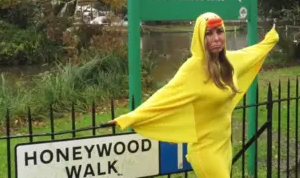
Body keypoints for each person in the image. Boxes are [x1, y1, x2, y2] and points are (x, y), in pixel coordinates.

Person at [105, 12, 279, 177]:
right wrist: (130, 118)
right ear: (199, 38)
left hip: (224, 145)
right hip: (204, 151)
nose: (216, 38)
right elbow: (164, 96)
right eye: (209, 34)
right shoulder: (192, 69)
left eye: (220, 31)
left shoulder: (230, 62)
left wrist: (270, 39)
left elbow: (252, 54)